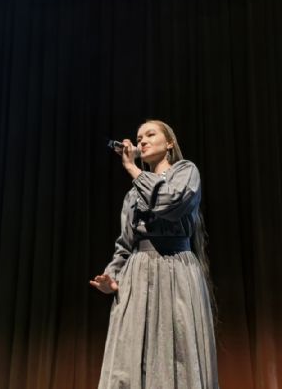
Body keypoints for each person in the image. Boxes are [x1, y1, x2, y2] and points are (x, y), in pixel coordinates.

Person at [90, 119, 219, 388]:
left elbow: (170, 203)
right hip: (138, 275)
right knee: (130, 354)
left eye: (150, 135)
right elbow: (125, 244)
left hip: (177, 271)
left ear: (169, 142)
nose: (142, 141)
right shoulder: (133, 194)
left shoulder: (186, 171)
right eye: (139, 139)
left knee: (179, 350)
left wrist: (132, 168)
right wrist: (112, 277)